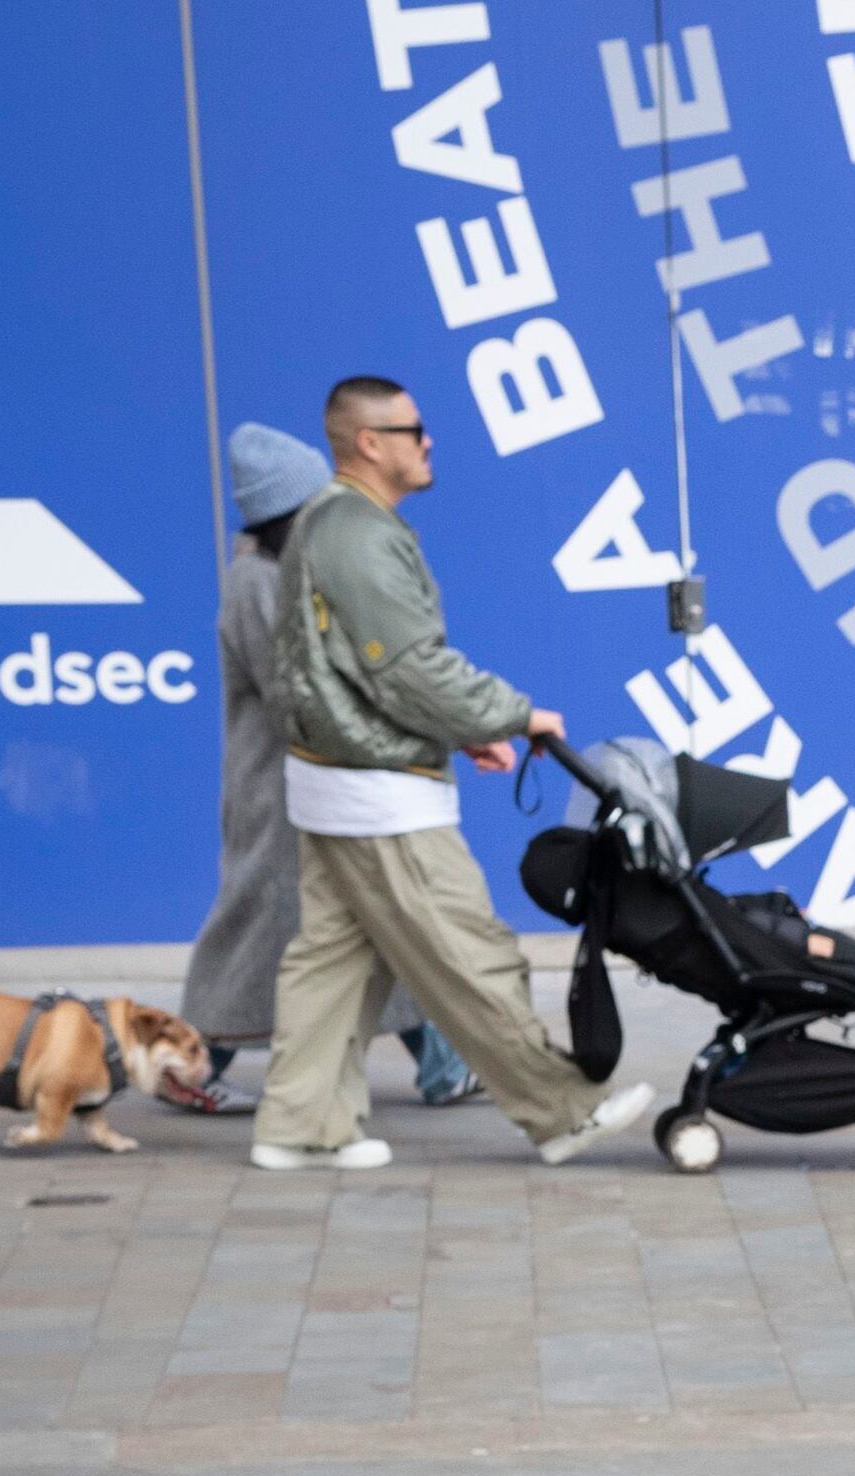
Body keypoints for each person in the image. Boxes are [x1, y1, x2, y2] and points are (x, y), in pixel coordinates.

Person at [257, 376, 654, 1172]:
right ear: (370, 443)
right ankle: (560, 1111)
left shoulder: (324, 523)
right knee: (467, 953)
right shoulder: (360, 535)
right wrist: (511, 714)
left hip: (335, 778)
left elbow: (365, 669)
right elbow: (410, 669)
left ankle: (298, 1124)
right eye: (414, 428)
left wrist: (458, 731)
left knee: (331, 961)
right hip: (381, 795)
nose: (429, 440)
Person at [181, 424, 466, 1119]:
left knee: (379, 916)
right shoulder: (255, 583)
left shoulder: (303, 571)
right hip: (280, 790)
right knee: (257, 921)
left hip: (337, 775)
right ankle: (189, 1058)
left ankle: (445, 1060)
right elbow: (293, 694)